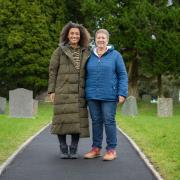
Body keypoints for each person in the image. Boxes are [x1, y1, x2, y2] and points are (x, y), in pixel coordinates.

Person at [48, 22, 91, 159]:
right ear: (67, 35)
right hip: (63, 91)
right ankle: (62, 147)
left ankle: (73, 148)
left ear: (81, 36)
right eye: (72, 33)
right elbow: (52, 71)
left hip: (79, 92)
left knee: (77, 122)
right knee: (61, 120)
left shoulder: (86, 51)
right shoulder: (59, 51)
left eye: (77, 34)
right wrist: (51, 91)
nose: (74, 36)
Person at [84, 29, 128, 161]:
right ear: (95, 40)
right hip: (92, 95)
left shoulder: (116, 55)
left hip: (109, 95)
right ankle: (96, 148)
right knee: (96, 122)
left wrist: (122, 93)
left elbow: (122, 75)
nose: (101, 40)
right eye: (98, 38)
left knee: (109, 121)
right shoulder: (89, 55)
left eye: (103, 38)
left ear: (107, 40)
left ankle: (111, 150)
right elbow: (84, 74)